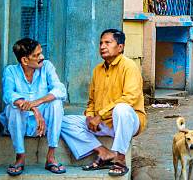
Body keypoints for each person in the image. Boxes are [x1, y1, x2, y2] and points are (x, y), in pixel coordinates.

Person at [61, 29, 146, 177]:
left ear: (120, 47)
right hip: (104, 123)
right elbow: (92, 101)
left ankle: (120, 159)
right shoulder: (97, 70)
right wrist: (89, 116)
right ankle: (104, 153)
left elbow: (130, 97)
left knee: (121, 108)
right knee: (63, 121)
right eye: (101, 43)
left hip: (128, 122)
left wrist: (99, 115)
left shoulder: (129, 66)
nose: (102, 46)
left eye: (108, 42)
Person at [0, 38, 67, 176]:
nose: (41, 57)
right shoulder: (11, 71)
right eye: (36, 55)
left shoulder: (47, 66)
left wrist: (37, 103)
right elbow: (8, 94)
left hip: (43, 125)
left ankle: (51, 157)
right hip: (20, 123)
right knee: (13, 107)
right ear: (24, 60)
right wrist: (33, 109)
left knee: (56, 103)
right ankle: (20, 157)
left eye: (41, 53)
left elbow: (60, 90)